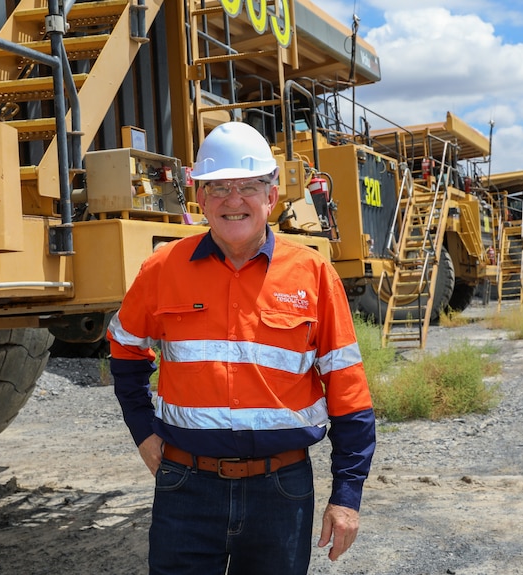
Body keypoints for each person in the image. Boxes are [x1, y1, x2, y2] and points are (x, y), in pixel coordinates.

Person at [107, 121, 376, 575]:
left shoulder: (312, 275)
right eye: (218, 188)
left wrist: (346, 497)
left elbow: (348, 391)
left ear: (271, 196)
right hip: (185, 487)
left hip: (281, 490)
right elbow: (124, 348)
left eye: (248, 186)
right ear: (201, 199)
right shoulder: (161, 268)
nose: (234, 200)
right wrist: (143, 431)